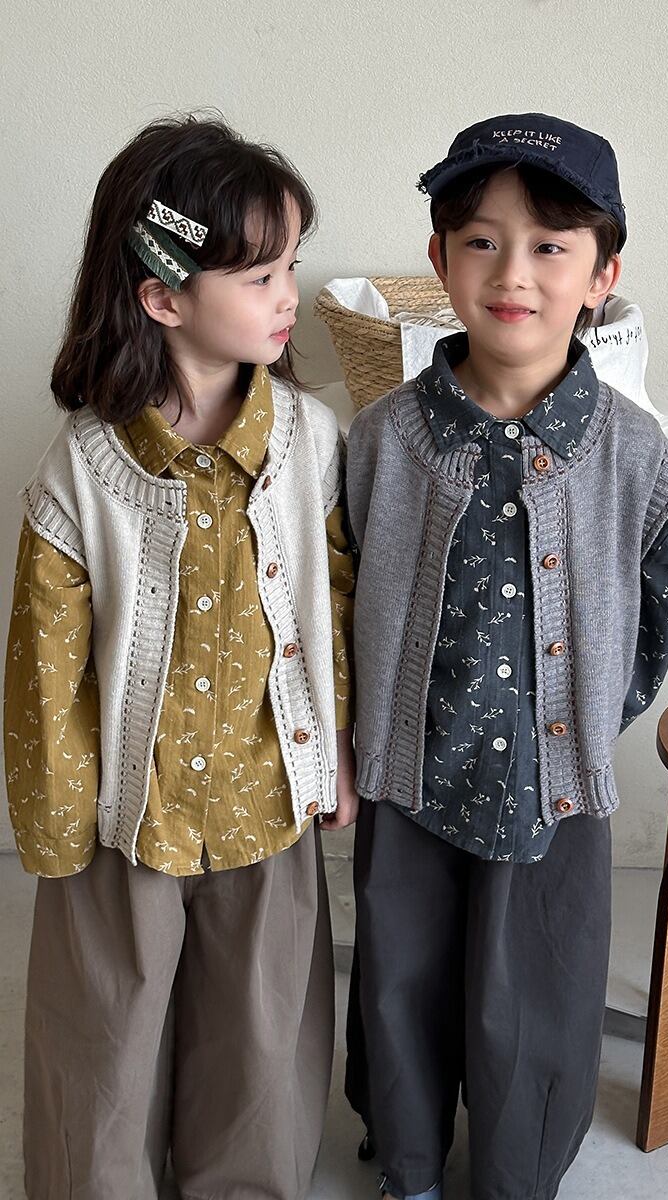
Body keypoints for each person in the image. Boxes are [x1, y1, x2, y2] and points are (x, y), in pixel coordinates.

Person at [3, 114, 358, 1199]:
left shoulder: (311, 443)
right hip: (125, 819)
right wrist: (57, 829)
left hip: (265, 800)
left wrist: (336, 752)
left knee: (259, 1038)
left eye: (290, 265)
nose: (290, 295)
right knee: (103, 1040)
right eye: (261, 276)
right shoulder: (83, 471)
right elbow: (45, 669)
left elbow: (335, 608)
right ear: (163, 297)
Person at [345, 113, 668, 1200]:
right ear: (441, 260)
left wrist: (587, 725)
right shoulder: (381, 438)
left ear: (602, 276)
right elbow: (340, 588)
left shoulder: (636, 454)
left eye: (550, 246)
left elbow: (661, 598)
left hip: (554, 783)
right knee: (401, 976)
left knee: (538, 993)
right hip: (409, 771)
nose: (513, 273)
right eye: (482, 242)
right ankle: (408, 1163)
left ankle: (517, 1174)